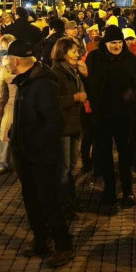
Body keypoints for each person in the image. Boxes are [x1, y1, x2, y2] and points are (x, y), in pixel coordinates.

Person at [5, 40, 74, 267]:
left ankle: (63, 246)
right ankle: (41, 241)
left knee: (48, 201)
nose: (5, 62)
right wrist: (15, 132)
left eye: (7, 59)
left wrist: (37, 145)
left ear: (15, 60)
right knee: (31, 199)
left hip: (40, 156)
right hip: (25, 153)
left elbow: (54, 122)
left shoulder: (42, 84)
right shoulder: (27, 81)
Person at [86, 25, 136, 207]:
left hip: (124, 115)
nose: (116, 46)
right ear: (105, 43)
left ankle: (127, 190)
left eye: (118, 42)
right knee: (105, 154)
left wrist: (132, 94)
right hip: (102, 115)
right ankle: (109, 190)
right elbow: (90, 82)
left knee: (125, 154)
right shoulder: (94, 58)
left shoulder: (130, 59)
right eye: (112, 43)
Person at [51, 37, 87, 216]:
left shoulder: (73, 70)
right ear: (62, 53)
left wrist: (85, 75)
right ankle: (65, 204)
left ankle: (70, 199)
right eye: (73, 51)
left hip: (75, 124)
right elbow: (52, 101)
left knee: (71, 165)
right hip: (63, 127)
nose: (77, 54)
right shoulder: (56, 72)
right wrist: (74, 98)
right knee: (64, 168)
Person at [0, 35, 17, 174]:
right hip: (11, 104)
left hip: (10, 104)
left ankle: (3, 162)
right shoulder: (2, 66)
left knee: (5, 133)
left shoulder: (5, 68)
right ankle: (4, 162)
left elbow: (0, 96)